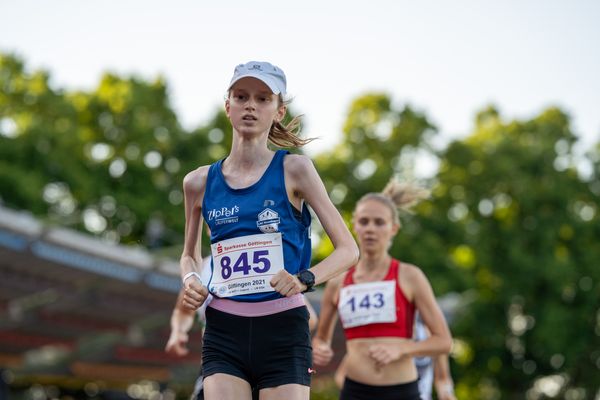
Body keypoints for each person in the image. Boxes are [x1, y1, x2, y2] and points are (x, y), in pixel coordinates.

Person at [179, 60, 359, 400]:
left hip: (283, 331)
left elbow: (349, 250)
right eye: (241, 96)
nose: (250, 105)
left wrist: (303, 279)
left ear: (278, 110)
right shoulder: (197, 182)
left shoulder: (296, 169)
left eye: (263, 98)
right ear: (227, 106)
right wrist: (191, 281)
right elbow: (189, 256)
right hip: (223, 330)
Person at [312, 179, 453, 400]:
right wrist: (320, 347)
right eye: (364, 221)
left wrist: (402, 349)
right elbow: (321, 339)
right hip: (354, 391)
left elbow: (443, 341)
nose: (370, 229)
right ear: (355, 225)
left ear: (393, 228)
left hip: (402, 390)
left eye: (379, 222)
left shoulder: (409, 276)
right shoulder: (337, 283)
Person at [165, 257, 320, 400]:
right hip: (220, 362)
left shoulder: (261, 262)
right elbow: (183, 311)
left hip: (272, 364)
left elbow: (310, 318)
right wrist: (178, 331)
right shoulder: (201, 267)